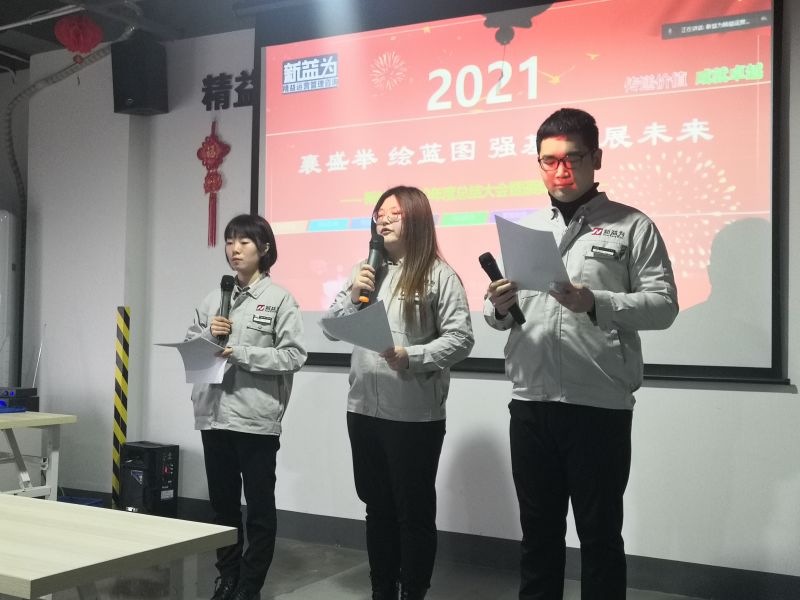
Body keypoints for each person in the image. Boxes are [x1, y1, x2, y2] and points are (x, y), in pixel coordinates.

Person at [485, 108, 678, 600]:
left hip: (598, 405)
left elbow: (663, 306)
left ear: (596, 158)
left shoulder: (631, 226)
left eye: (572, 158)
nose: (561, 171)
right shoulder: (526, 229)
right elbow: (503, 314)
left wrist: (596, 302)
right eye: (549, 161)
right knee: (538, 538)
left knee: (599, 539)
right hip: (531, 402)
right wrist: (498, 307)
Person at [324, 185, 474, 600]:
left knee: (414, 514)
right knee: (377, 508)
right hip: (363, 410)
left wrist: (413, 356)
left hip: (413, 416)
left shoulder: (439, 275)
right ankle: (382, 589)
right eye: (379, 213)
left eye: (394, 213)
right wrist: (353, 295)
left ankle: (413, 592)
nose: (383, 220)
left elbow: (461, 339)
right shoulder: (364, 271)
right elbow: (331, 327)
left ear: (418, 219)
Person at [186, 213, 307, 600]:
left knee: (258, 509)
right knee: (222, 508)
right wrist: (208, 336)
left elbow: (293, 356)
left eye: (244, 242)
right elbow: (193, 349)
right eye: (229, 241)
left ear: (265, 248)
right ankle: (227, 577)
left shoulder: (279, 299)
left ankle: (249, 587)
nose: (234, 249)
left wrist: (239, 352)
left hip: (255, 419)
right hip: (213, 416)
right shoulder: (212, 299)